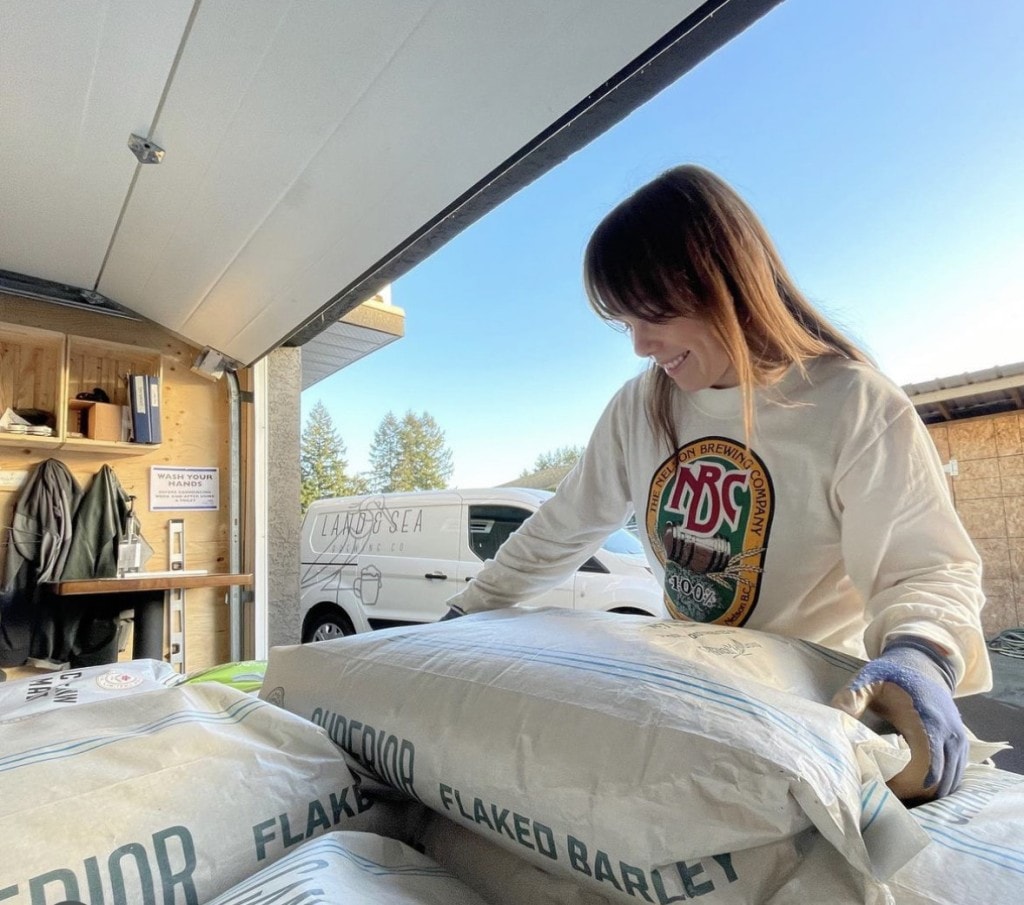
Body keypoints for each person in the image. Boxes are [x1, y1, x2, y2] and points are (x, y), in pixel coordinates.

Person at [442, 164, 993, 804]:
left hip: (823, 719)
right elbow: (560, 530)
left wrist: (921, 655)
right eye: (626, 323)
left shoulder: (852, 403)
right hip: (699, 708)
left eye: (654, 314)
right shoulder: (639, 408)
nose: (642, 345)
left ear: (726, 284)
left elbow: (925, 569)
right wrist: (463, 614)